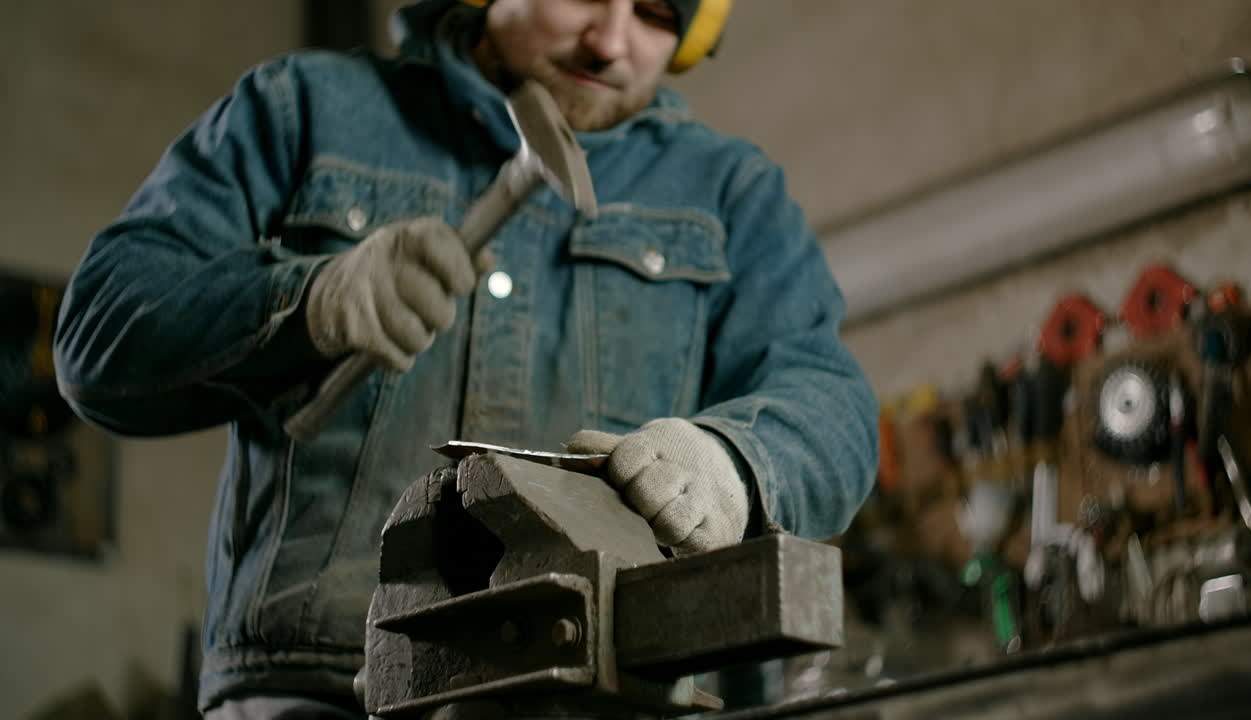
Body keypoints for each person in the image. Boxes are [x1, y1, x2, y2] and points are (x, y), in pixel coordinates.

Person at [53, 0, 879, 716]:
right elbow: (98, 335)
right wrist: (311, 300)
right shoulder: (301, 110)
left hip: (604, 702)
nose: (611, 42)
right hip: (320, 695)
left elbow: (832, 409)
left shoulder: (729, 191)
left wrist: (732, 463)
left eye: (659, 12)